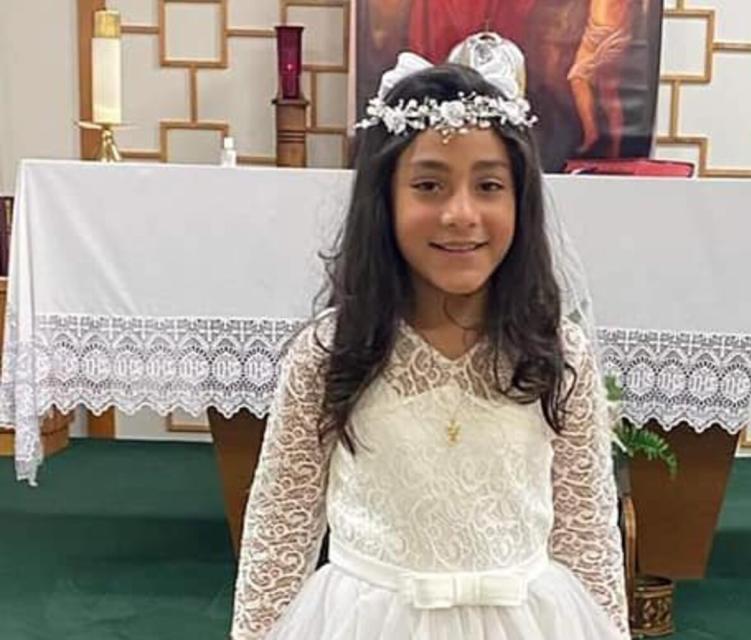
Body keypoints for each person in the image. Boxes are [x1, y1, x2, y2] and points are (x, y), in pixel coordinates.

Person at [229, 52, 628, 640]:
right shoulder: (329, 353)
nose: (460, 213)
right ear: (384, 200)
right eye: (428, 185)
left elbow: (587, 532)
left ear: (520, 199)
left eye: (489, 185)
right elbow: (280, 527)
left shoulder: (557, 354)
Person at [567, 0, 633, 157]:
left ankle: (616, 145)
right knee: (578, 77)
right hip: (595, 31)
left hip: (611, 31)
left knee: (607, 88)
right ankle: (591, 133)